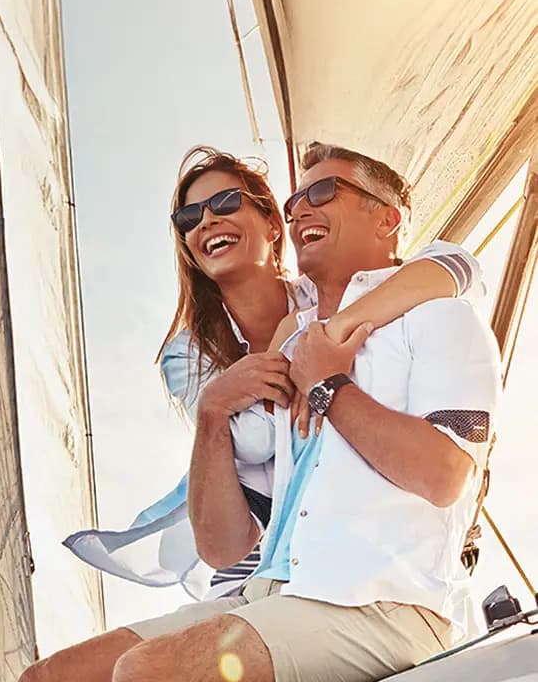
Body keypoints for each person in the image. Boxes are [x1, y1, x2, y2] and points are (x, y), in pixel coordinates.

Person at [14, 144, 500, 682]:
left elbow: (447, 475)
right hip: (272, 592)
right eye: (295, 201)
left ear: (387, 218)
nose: (302, 210)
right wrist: (219, 409)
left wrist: (328, 382)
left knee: (151, 677)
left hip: (384, 604)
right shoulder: (288, 344)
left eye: (322, 192)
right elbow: (226, 548)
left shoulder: (437, 319)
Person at [65, 146, 484, 601]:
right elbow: (254, 446)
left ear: (271, 224)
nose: (207, 221)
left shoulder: (321, 296)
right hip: (249, 568)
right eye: (188, 218)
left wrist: (326, 342)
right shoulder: (188, 354)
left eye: (225, 203)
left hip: (348, 567)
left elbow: (456, 265)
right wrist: (214, 406)